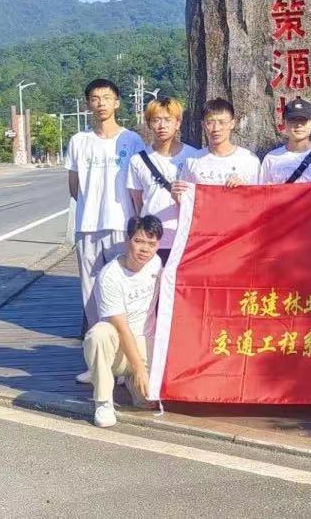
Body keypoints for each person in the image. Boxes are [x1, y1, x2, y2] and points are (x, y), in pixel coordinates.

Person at [65, 79, 145, 341]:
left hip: (122, 225)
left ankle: (125, 348)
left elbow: (138, 184)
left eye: (107, 98)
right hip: (87, 227)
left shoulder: (131, 140)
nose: (101, 103)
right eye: (95, 99)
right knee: (90, 291)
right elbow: (74, 186)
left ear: (117, 102)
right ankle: (97, 348)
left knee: (122, 286)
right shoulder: (79, 141)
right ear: (88, 104)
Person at [82, 215, 164, 429]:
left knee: (148, 401)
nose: (145, 249)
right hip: (118, 347)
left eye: (151, 243)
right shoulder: (109, 275)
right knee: (99, 333)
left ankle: (131, 382)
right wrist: (140, 370)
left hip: (147, 345)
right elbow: (121, 326)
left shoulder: (156, 263)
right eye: (139, 241)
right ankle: (103, 402)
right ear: (128, 240)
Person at [126, 96, 199, 264]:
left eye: (168, 120)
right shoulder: (137, 160)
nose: (162, 125)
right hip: (151, 240)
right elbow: (137, 203)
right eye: (156, 120)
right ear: (149, 124)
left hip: (185, 237)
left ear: (178, 123)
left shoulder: (194, 157)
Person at [178, 98, 262, 187]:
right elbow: (184, 194)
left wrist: (245, 188)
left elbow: (260, 194)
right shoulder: (192, 161)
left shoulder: (249, 160)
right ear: (203, 125)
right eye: (210, 122)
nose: (216, 129)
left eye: (222, 122)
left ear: (232, 123)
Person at [258, 96, 311, 184]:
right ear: (284, 122)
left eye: (303, 120)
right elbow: (262, 191)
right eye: (293, 120)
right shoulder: (271, 158)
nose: (299, 125)